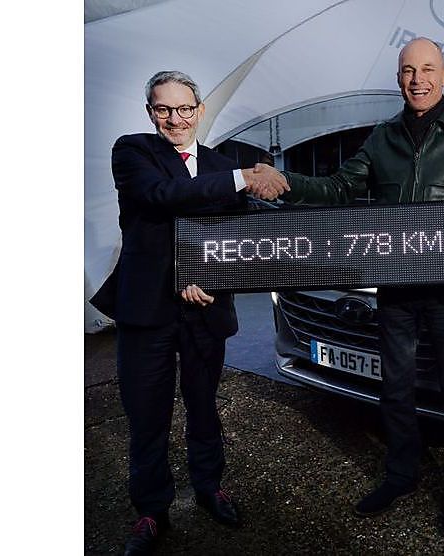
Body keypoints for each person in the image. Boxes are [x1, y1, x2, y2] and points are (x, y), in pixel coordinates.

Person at [276, 38, 444, 538]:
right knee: (395, 389)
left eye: (428, 69)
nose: (418, 79)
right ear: (398, 78)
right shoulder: (381, 138)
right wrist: (286, 183)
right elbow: (339, 189)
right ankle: (401, 475)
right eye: (409, 70)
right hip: (397, 291)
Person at [90, 70, 287, 555]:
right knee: (147, 415)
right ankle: (150, 510)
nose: (175, 119)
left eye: (184, 109)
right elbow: (162, 196)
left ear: (200, 111)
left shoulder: (220, 162)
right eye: (164, 109)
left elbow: (235, 238)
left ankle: (209, 487)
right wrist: (244, 178)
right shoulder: (133, 153)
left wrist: (209, 276)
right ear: (150, 113)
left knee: (203, 407)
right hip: (148, 309)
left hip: (205, 310)